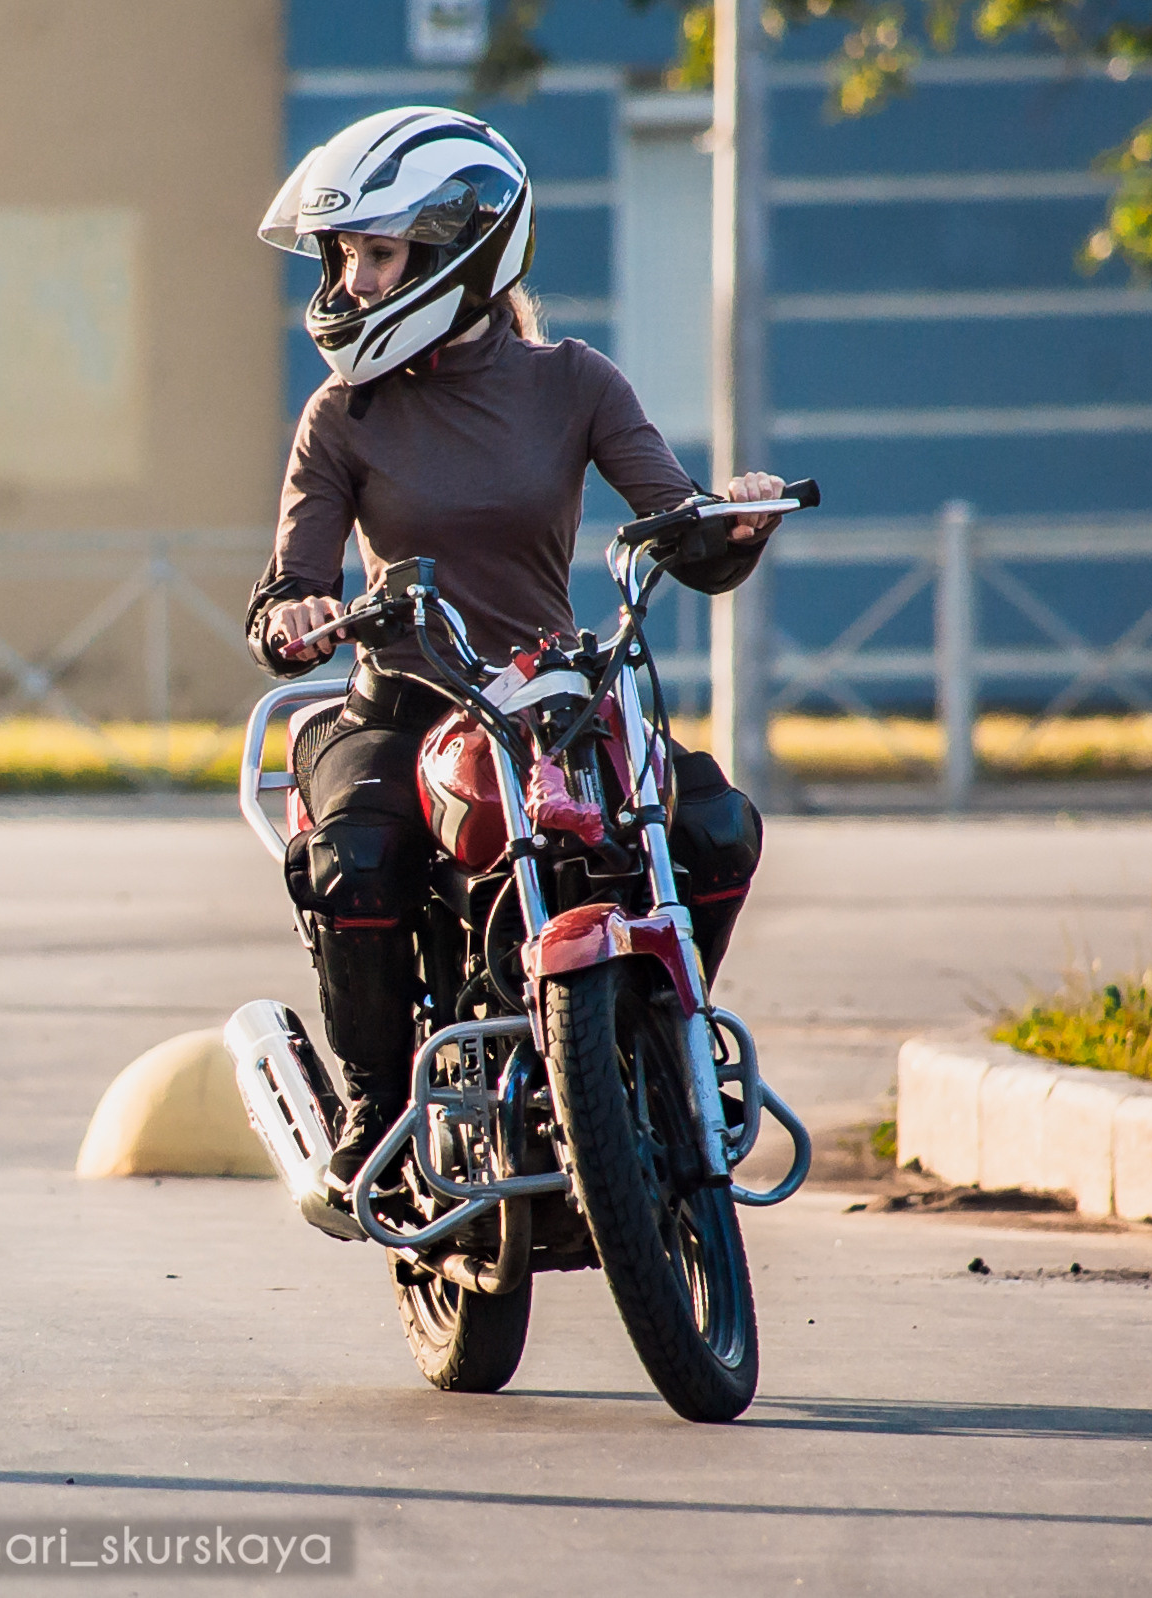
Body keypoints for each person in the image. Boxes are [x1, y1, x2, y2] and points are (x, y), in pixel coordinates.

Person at [247, 106, 779, 1192]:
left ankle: (669, 1045)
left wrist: (731, 526)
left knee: (714, 826)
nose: (349, 283)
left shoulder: (572, 382)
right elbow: (289, 592)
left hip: (548, 700)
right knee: (353, 859)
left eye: (376, 253)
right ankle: (371, 1107)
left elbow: (677, 531)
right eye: (343, 255)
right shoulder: (340, 415)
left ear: (461, 247)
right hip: (400, 708)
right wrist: (295, 615)